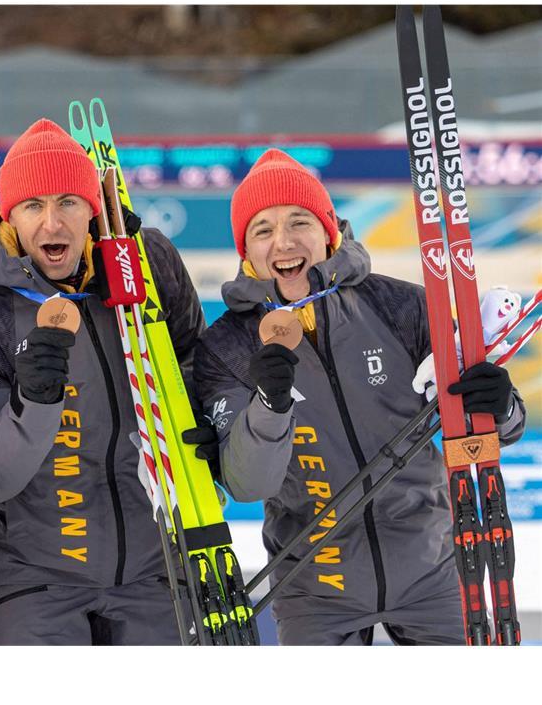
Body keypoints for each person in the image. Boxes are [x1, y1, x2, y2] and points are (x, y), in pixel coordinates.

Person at [192, 148, 527, 645]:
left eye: (299, 221)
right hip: (314, 584)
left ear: (329, 231)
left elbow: (499, 426)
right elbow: (248, 483)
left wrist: (500, 405)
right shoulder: (227, 346)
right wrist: (269, 405)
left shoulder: (401, 306)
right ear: (246, 250)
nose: (283, 242)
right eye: (262, 230)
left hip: (433, 566)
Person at [0, 119, 206, 645]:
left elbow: (194, 362)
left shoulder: (148, 260)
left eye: (69, 202)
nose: (52, 222)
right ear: (9, 215)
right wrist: (34, 401)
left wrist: (207, 420)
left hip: (157, 568)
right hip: (34, 581)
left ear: (93, 209)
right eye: (33, 205)